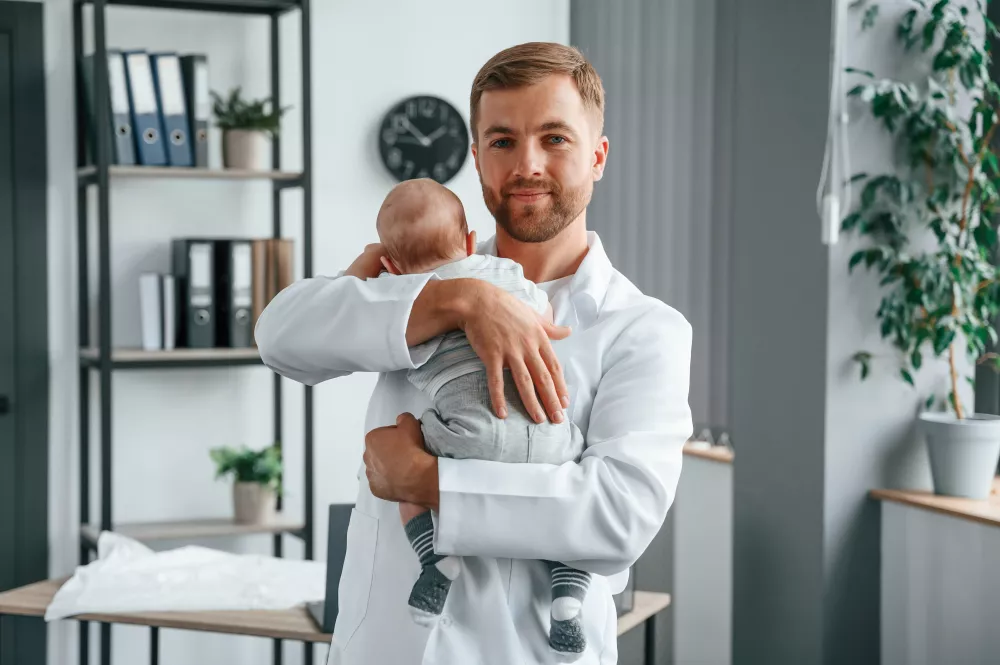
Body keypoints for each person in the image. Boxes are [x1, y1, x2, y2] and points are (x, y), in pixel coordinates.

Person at [254, 41, 693, 665]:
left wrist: (427, 482)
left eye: (555, 139)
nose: (527, 164)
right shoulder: (419, 273)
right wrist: (460, 301)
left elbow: (617, 518)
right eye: (503, 141)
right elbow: (279, 339)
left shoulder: (645, 329)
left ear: (597, 156)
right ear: (478, 157)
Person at [374, 177, 592, 657]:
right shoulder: (512, 277)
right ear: (472, 241)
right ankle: (568, 599)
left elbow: (380, 336)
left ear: (391, 267)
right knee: (578, 475)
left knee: (400, 441)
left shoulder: (405, 305)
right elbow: (539, 310)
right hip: (549, 437)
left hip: (468, 437)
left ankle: (435, 560)